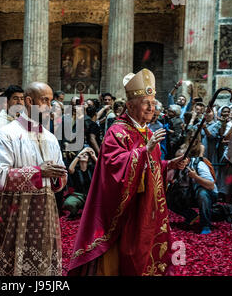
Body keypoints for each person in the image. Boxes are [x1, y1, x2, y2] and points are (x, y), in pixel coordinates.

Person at [68, 69, 188, 276]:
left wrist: (169, 164)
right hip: (126, 210)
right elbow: (113, 167)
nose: (152, 108)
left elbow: (153, 165)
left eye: (153, 103)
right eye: (146, 103)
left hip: (148, 206)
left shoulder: (148, 132)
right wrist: (144, 150)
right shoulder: (117, 132)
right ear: (130, 106)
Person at [0, 82, 68, 276]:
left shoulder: (50, 137)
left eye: (51, 100)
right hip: (13, 214)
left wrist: (58, 177)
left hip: (43, 214)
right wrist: (39, 172)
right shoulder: (7, 134)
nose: (50, 106)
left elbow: (59, 176)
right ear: (29, 102)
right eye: (45, 101)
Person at [167, 143, 219, 235]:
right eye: (177, 159)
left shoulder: (199, 164)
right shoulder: (176, 167)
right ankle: (191, 215)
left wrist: (196, 177)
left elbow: (211, 186)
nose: (178, 162)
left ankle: (205, 225)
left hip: (208, 194)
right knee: (169, 195)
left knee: (202, 193)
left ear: (187, 159)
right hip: (188, 194)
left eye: (181, 159)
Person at [63, 147, 97, 220]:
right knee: (68, 203)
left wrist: (93, 156)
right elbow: (70, 169)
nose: (84, 155)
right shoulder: (75, 170)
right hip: (79, 195)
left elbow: (101, 167)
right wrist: (80, 154)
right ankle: (74, 213)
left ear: (89, 159)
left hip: (92, 195)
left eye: (86, 155)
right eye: (82, 154)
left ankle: (90, 211)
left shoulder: (92, 169)